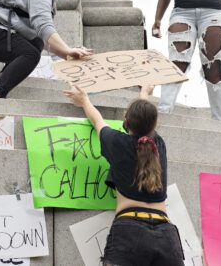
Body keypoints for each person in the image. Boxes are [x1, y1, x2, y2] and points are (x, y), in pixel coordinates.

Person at [64, 85, 185, 266]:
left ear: (125, 120)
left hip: (130, 231)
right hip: (166, 235)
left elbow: (97, 120)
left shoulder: (117, 142)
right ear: (156, 124)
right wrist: (145, 92)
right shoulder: (158, 144)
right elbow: (145, 116)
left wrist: (84, 100)